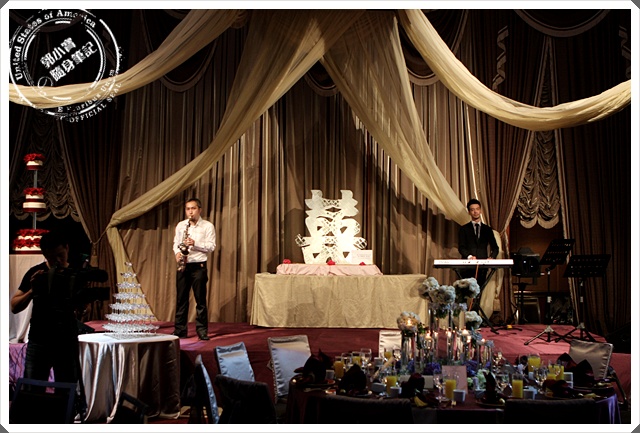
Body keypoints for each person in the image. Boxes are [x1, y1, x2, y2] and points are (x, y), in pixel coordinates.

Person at [11, 230, 82, 385]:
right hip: (39, 338)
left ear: (67, 248)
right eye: (51, 257)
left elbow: (84, 309)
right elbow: (14, 306)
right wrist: (32, 290)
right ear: (44, 254)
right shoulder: (36, 273)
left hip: (66, 338)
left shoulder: (77, 274)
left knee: (66, 389)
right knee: (33, 388)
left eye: (60, 255)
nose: (57, 261)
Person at [172, 198, 216, 340]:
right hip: (183, 265)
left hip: (199, 266)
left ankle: (202, 330)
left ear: (199, 210)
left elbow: (211, 247)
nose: (190, 212)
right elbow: (176, 243)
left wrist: (194, 244)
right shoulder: (181, 225)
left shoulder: (207, 226)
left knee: (200, 301)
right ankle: (180, 330)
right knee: (181, 300)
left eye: (193, 208)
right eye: (188, 209)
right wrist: (177, 253)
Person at [457, 198, 500, 287]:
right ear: (469, 212)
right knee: (466, 291)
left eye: (477, 209)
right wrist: (469, 256)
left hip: (482, 267)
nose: (475, 212)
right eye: (472, 210)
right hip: (467, 267)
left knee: (480, 291)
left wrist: (491, 257)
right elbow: (461, 247)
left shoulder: (487, 229)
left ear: (480, 211)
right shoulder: (464, 229)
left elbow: (495, 247)